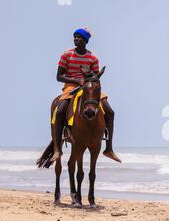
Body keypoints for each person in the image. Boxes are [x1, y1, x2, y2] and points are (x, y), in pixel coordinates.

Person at [51, 28, 121, 163]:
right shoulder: (66, 55)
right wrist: (76, 81)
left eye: (79, 37)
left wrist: (89, 83)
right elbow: (59, 77)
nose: (76, 39)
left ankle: (109, 149)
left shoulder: (93, 58)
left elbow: (95, 77)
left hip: (90, 87)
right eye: (75, 37)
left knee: (110, 111)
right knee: (60, 110)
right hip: (71, 86)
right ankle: (57, 149)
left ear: (85, 41)